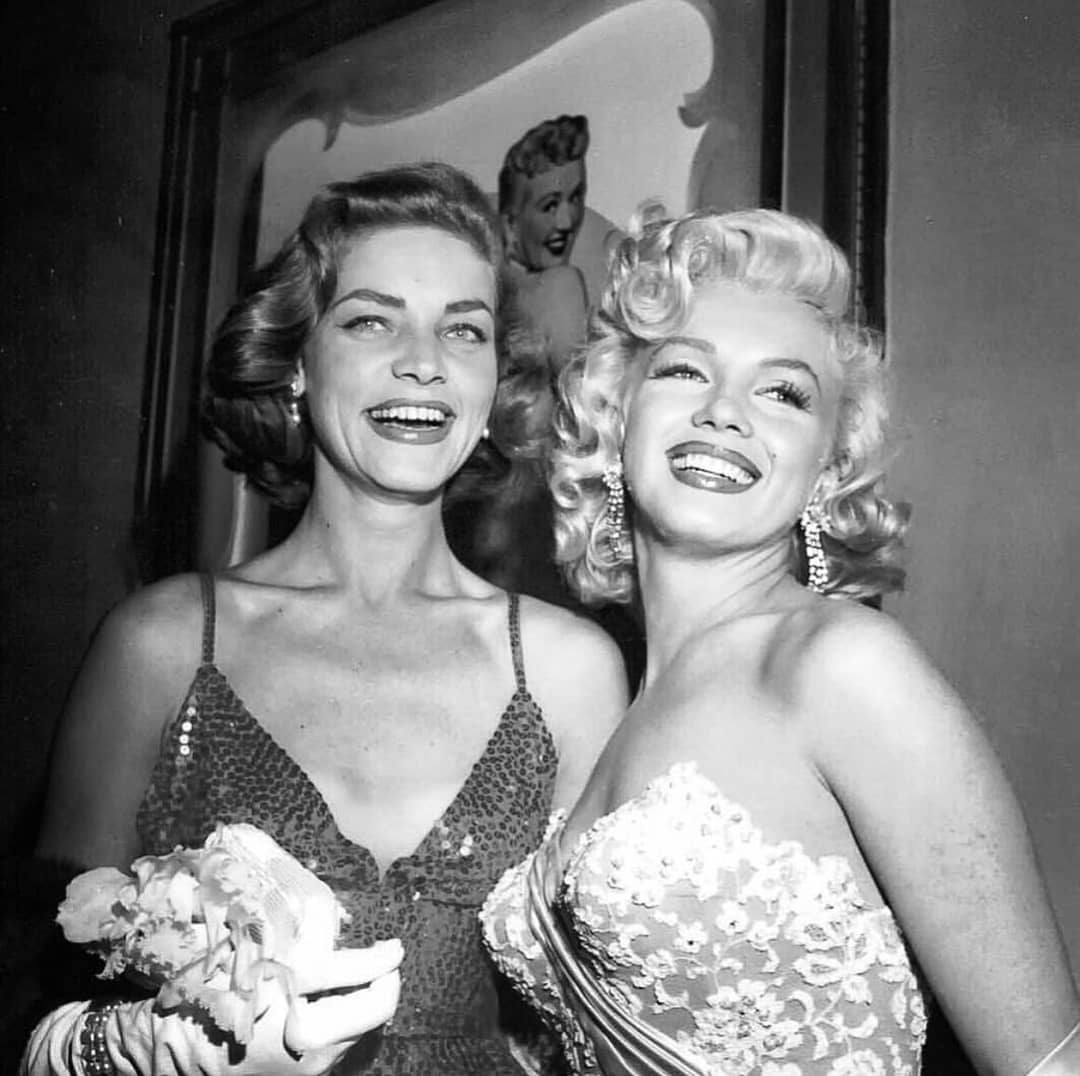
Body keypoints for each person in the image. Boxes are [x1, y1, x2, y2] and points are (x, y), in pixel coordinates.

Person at [21, 162, 627, 1075]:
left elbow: (594, 1026)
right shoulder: (162, 643)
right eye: (372, 320)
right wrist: (155, 1049)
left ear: (494, 382)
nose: (424, 360)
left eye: (463, 329)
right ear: (298, 365)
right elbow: (44, 984)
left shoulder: (567, 668)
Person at [481, 207, 1080, 1074]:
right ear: (618, 420)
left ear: (827, 470)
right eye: (686, 369)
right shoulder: (603, 697)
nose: (725, 412)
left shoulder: (841, 669)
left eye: (783, 393)